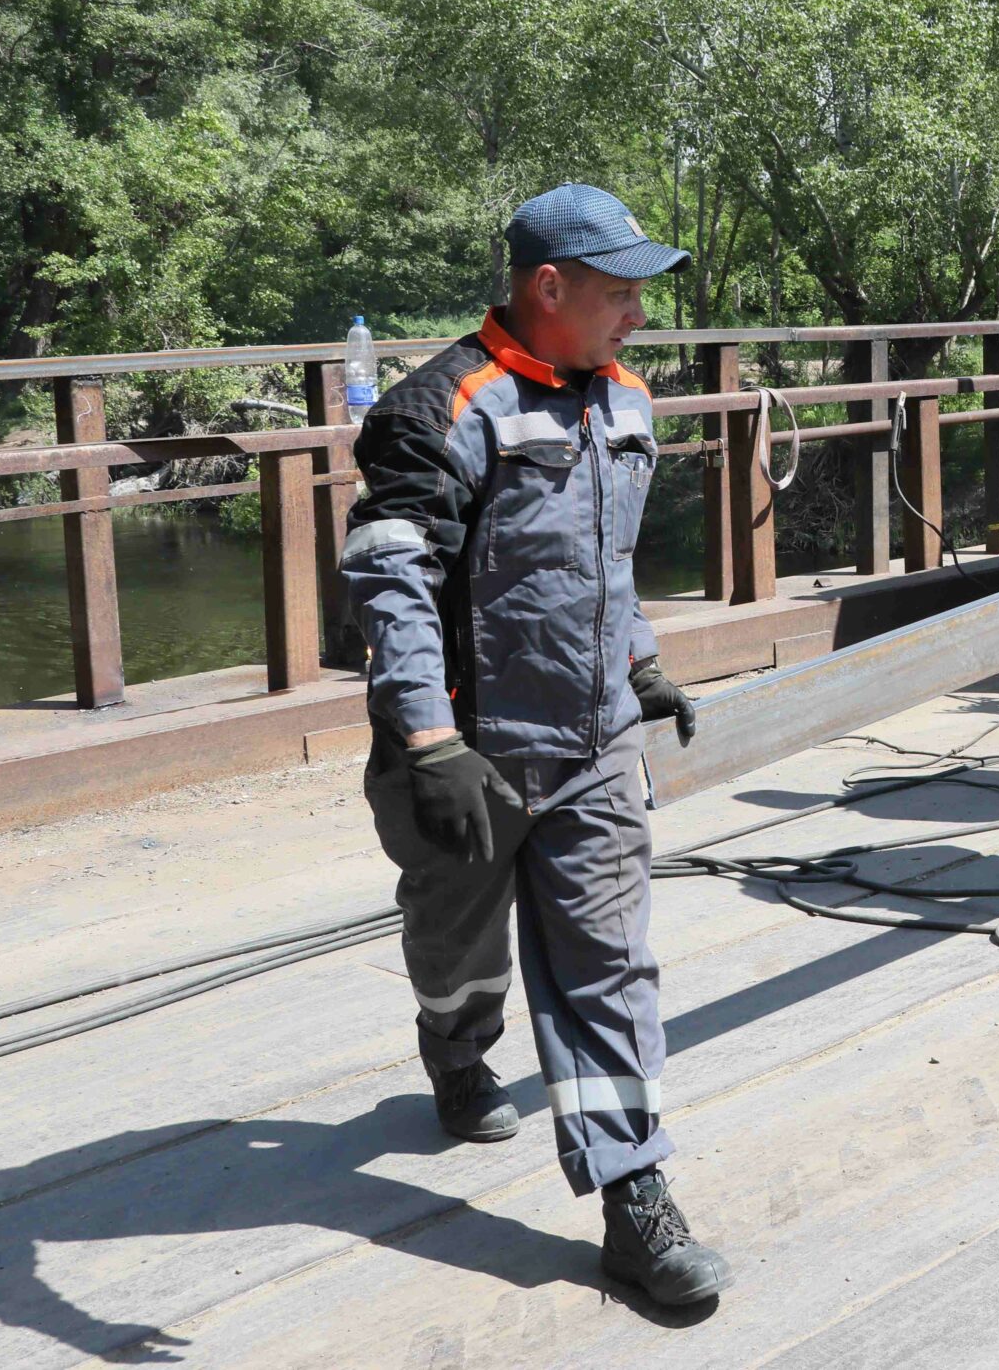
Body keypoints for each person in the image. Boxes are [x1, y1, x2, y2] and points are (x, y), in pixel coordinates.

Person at [340, 181, 726, 1310]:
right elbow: (391, 581)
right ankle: (455, 1046)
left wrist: (641, 664)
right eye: (619, 294)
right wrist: (427, 738)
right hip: (471, 748)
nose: (638, 318)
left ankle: (634, 1200)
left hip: (593, 740)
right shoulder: (442, 406)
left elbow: (607, 564)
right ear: (546, 287)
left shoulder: (627, 400)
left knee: (609, 968)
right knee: (457, 949)